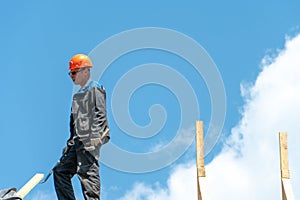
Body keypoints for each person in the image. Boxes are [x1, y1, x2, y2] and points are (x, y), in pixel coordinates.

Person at [53, 54, 110, 200]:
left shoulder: (95, 89)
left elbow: (100, 114)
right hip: (77, 142)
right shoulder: (78, 96)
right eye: (70, 73)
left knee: (87, 174)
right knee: (60, 171)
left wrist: (98, 137)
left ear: (85, 71)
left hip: (90, 139)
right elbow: (75, 124)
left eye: (74, 72)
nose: (71, 76)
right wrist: (69, 144)